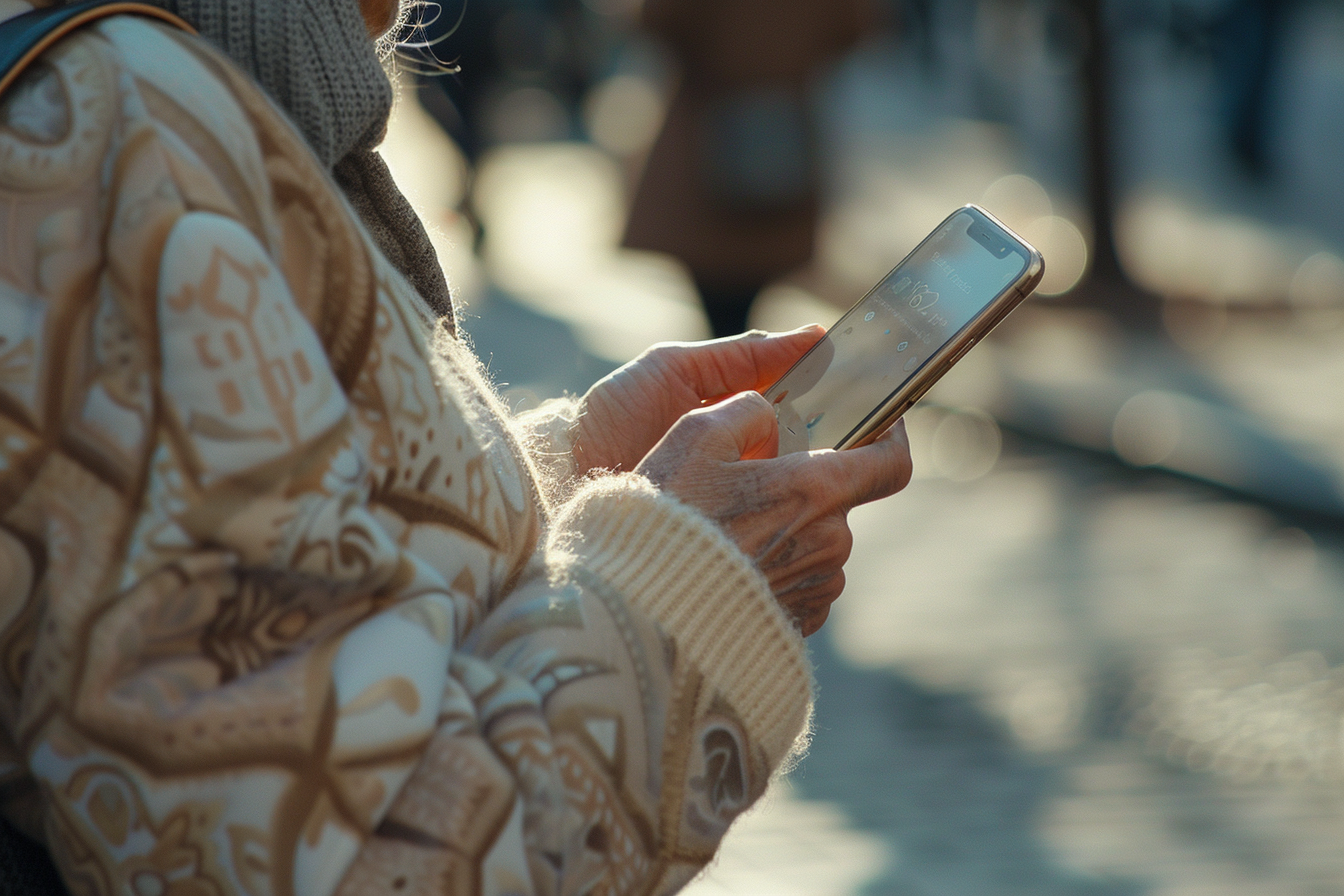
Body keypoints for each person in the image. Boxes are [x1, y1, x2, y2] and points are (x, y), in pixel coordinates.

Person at [0, 1, 912, 894]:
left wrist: (565, 476)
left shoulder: (192, 95)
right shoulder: (137, 133)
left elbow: (275, 565)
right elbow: (346, 863)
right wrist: (680, 592)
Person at [623, 0, 878, 338]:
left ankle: (728, 364)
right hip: (784, 115)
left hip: (707, 119)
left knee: (718, 289)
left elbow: (656, 20)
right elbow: (856, 26)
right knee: (749, 281)